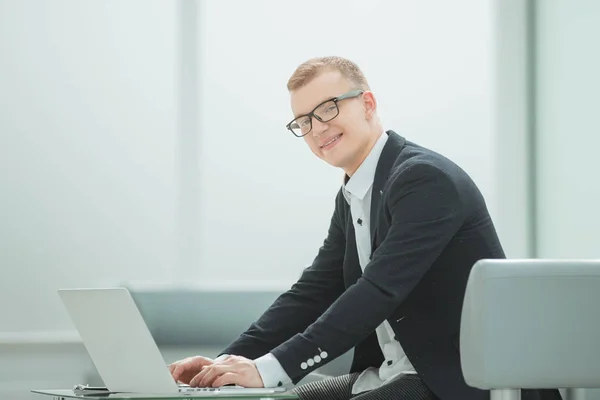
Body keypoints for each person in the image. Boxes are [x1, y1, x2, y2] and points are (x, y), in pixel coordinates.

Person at [169, 56, 562, 400]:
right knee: (274, 399)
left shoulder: (423, 179)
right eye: (303, 121)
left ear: (368, 104)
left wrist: (272, 367)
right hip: (389, 375)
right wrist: (221, 367)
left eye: (327, 109)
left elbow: (376, 291)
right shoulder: (354, 193)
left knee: (275, 387)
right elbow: (312, 293)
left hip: (454, 383)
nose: (317, 128)